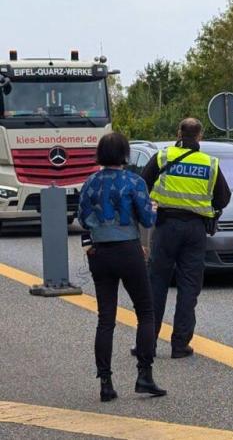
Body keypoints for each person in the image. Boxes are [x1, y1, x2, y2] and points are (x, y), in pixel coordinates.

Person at [78, 133, 167, 402]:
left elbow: (82, 218)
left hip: (100, 253)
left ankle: (105, 383)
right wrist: (153, 207)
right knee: (146, 312)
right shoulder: (134, 182)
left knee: (106, 318)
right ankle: (144, 375)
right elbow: (148, 220)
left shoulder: (90, 182)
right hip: (129, 250)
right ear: (125, 154)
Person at [139, 118, 231, 358]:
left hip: (166, 226)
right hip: (195, 230)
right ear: (200, 136)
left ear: (178, 133)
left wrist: (151, 206)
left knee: (156, 284)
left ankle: (147, 344)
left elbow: (142, 184)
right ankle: (180, 345)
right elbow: (223, 198)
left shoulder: (163, 156)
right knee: (189, 286)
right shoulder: (209, 163)